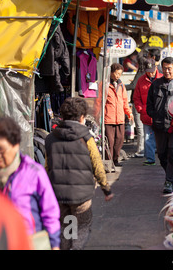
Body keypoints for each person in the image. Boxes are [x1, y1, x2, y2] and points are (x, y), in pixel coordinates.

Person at [45, 97, 113, 250]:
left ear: (62, 116)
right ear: (82, 117)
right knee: (81, 226)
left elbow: (47, 167)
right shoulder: (86, 138)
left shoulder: (50, 138)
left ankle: (66, 247)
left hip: (58, 194)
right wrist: (106, 189)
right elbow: (97, 165)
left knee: (66, 226)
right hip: (81, 196)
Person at [0, 116, 60, 250]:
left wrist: (54, 244)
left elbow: (50, 212)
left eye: (1, 149)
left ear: (15, 145)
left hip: (30, 243)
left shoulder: (33, 173)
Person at [147, 57, 173, 194]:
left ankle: (170, 180)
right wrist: (154, 115)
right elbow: (149, 104)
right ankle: (171, 176)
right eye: (164, 68)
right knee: (161, 154)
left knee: (172, 152)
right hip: (159, 125)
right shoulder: (156, 84)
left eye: (169, 68)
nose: (166, 71)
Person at [133, 57, 163, 166]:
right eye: (148, 72)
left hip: (160, 115)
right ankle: (150, 159)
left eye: (152, 72)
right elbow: (136, 97)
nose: (150, 74)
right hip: (146, 114)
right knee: (147, 138)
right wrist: (140, 109)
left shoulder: (162, 78)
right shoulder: (140, 80)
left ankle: (164, 159)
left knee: (161, 138)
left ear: (156, 68)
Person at [104, 63, 133, 167]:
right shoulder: (105, 84)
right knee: (109, 141)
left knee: (119, 140)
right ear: (111, 72)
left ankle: (115, 160)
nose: (118, 76)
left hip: (120, 118)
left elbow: (125, 101)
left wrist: (129, 113)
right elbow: (100, 102)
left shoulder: (121, 85)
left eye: (120, 74)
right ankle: (109, 161)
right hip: (108, 118)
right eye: (116, 73)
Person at [125, 52, 148, 157]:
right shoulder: (147, 72)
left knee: (140, 127)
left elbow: (133, 86)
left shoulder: (141, 72)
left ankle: (140, 151)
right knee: (144, 128)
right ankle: (144, 149)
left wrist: (121, 86)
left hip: (139, 103)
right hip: (145, 102)